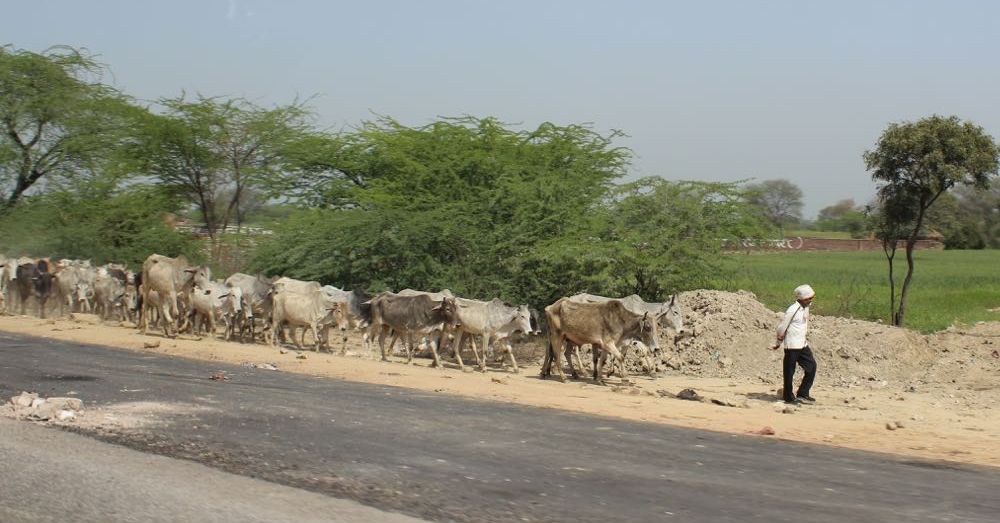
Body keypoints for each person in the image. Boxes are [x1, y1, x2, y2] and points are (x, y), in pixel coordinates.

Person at [771, 284, 817, 405]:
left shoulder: (806, 307)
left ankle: (803, 393)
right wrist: (778, 343)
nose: (811, 301)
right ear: (801, 298)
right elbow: (782, 327)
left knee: (812, 367)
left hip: (802, 344)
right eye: (809, 298)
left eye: (812, 298)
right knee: (789, 372)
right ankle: (789, 397)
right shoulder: (793, 309)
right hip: (791, 345)